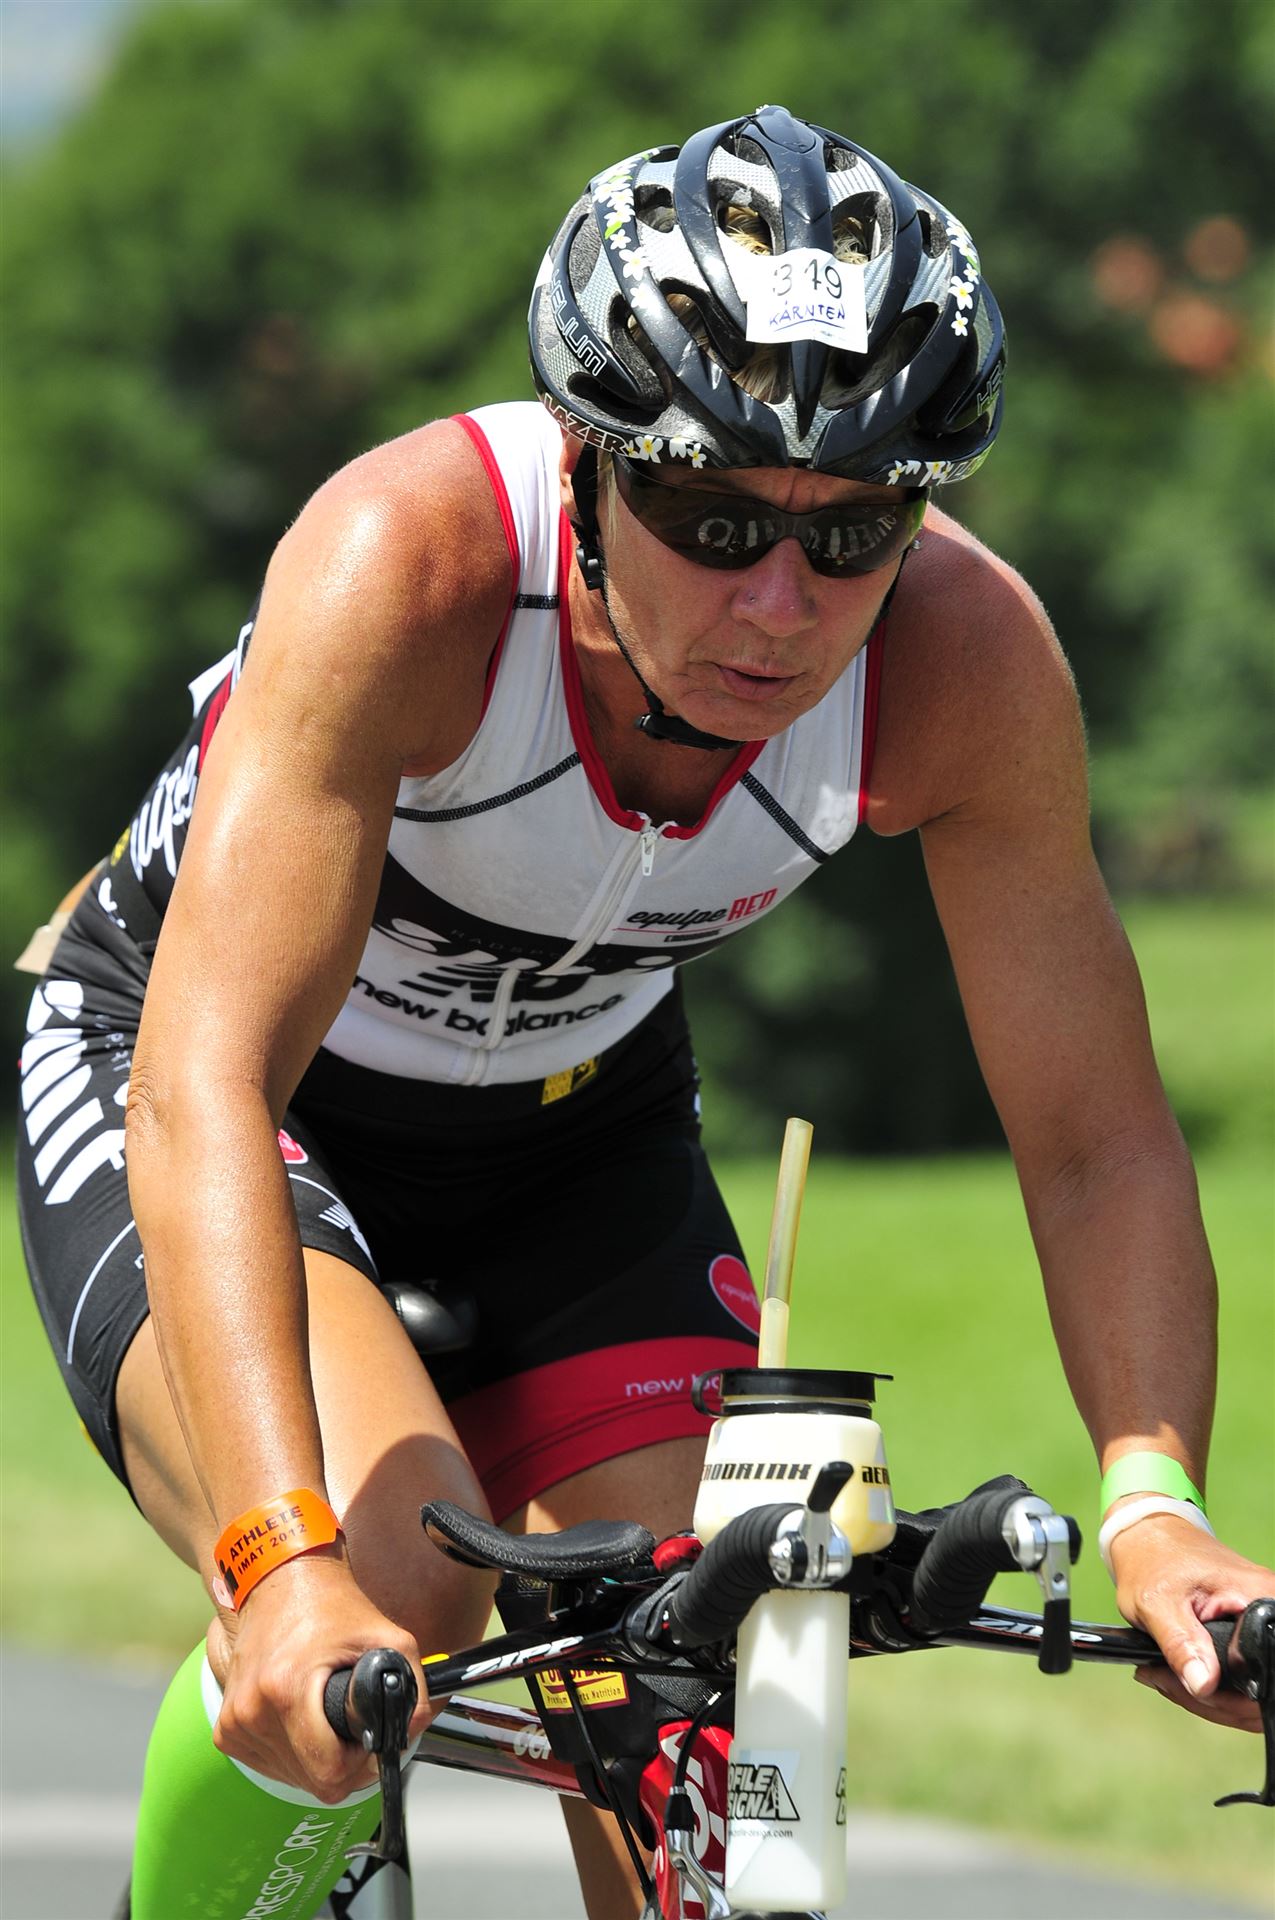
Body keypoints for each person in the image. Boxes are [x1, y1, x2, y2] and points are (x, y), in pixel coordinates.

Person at [16, 105, 1270, 1920]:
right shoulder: (413, 567)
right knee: (389, 1582)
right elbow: (207, 1077)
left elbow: (1097, 1138)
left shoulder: (966, 664)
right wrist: (279, 1564)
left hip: (572, 1127)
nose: (782, 605)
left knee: (724, 1662)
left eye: (855, 534)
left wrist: (1157, 1505)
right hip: (216, 1081)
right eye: (711, 516)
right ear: (592, 469)